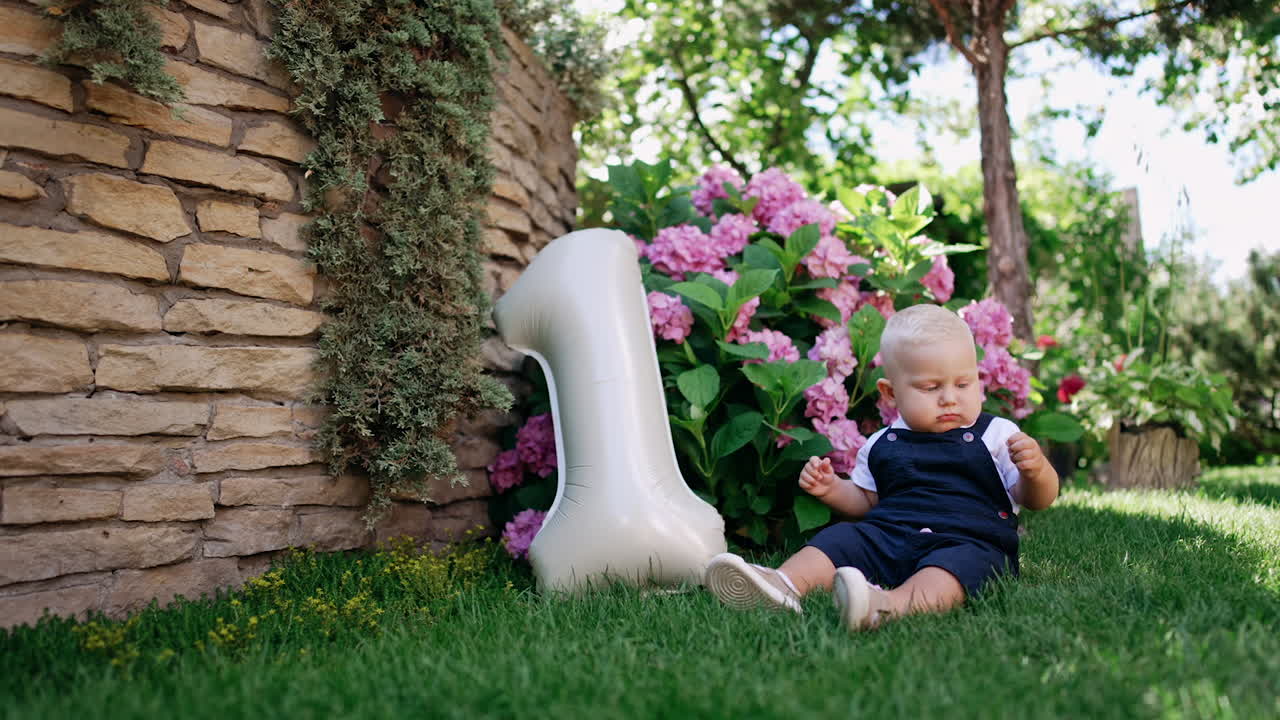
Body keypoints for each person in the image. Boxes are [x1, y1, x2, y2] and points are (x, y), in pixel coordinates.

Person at [704, 304, 1059, 631]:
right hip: (888, 536)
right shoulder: (882, 443)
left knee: (952, 572)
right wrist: (833, 490)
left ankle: (888, 605)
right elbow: (867, 501)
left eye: (964, 384)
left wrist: (1035, 472)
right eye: (931, 387)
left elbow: (1036, 499)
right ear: (890, 394)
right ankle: (782, 583)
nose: (950, 397)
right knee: (840, 539)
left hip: (966, 541)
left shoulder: (996, 434)